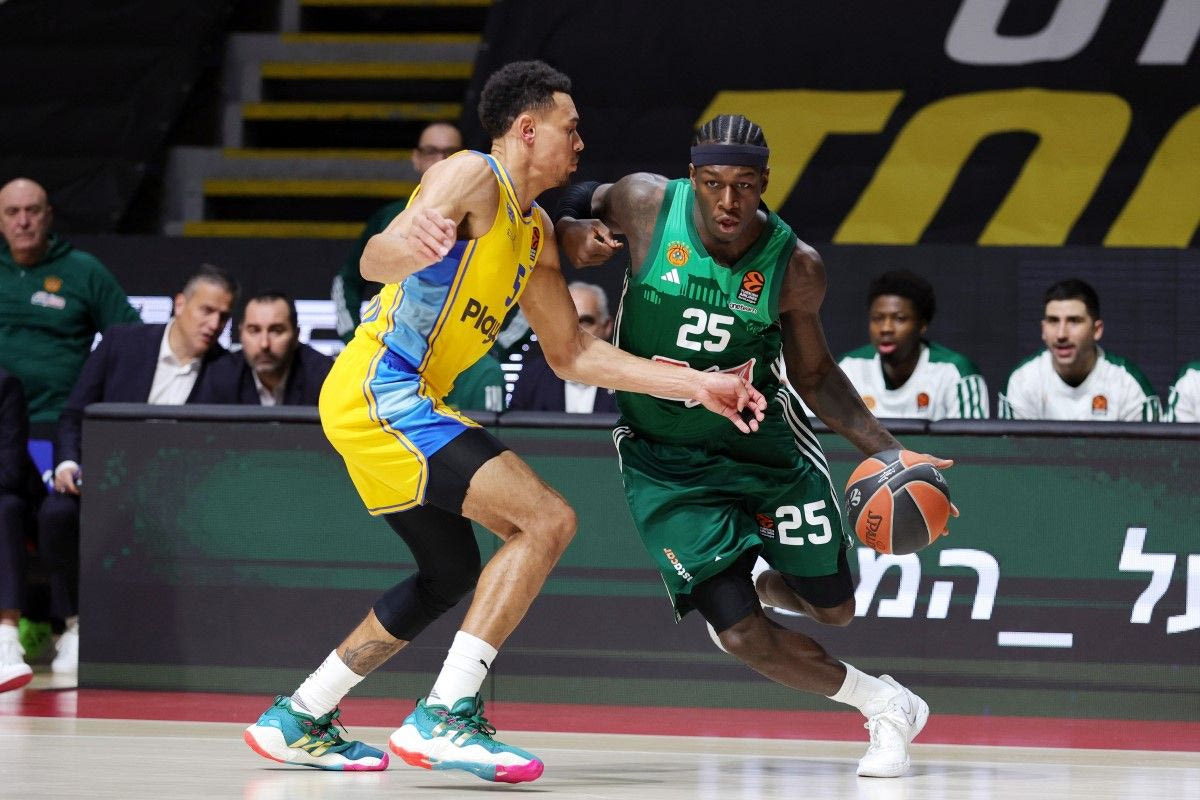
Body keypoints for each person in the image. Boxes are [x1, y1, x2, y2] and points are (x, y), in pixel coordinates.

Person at [243, 61, 766, 783]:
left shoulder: (535, 230)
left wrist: (697, 384)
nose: (580, 143)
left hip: (396, 401)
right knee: (545, 519)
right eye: (569, 128)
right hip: (382, 389)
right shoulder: (469, 175)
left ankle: (301, 714)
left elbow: (574, 354)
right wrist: (407, 246)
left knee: (448, 573)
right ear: (526, 130)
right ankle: (445, 716)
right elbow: (373, 258)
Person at [555, 114, 956, 778]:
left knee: (836, 609)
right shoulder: (645, 203)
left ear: (765, 182)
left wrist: (889, 450)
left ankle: (765, 581)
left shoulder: (795, 266)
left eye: (743, 185)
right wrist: (572, 230)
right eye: (713, 183)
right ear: (692, 178)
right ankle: (885, 704)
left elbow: (816, 375)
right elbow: (573, 199)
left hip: (764, 449)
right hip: (666, 460)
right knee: (739, 633)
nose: (728, 201)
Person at [37, 264, 236, 674]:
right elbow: (74, 414)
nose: (214, 324)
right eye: (206, 310)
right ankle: (74, 625)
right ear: (179, 304)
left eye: (223, 316)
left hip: (176, 500)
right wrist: (69, 462)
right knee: (56, 514)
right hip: (102, 486)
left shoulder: (227, 371)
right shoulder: (120, 344)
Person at [0, 178, 141, 425]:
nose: (23, 222)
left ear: (48, 216)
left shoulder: (84, 270)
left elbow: (133, 339)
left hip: (56, 419)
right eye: (12, 212)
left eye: (32, 211)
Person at [332, 122, 464, 343]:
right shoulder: (389, 216)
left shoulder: (486, 217)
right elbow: (348, 280)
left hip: (462, 348)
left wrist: (495, 348)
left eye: (451, 152)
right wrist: (352, 336)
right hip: (395, 343)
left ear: (467, 159)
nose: (441, 160)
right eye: (431, 151)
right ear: (416, 158)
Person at [998, 279, 1160, 421]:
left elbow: (1150, 448)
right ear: (1043, 329)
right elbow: (1012, 448)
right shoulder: (1023, 381)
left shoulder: (1127, 384)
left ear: (1097, 330)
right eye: (1053, 321)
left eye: (1074, 321)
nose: (1061, 334)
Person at [838, 270, 988, 419]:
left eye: (899, 318)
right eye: (877, 318)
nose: (886, 328)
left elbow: (970, 435)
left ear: (922, 325)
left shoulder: (954, 373)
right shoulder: (848, 368)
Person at [193, 291, 332, 406]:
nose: (264, 344)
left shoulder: (324, 377)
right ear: (241, 334)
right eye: (254, 330)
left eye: (276, 331)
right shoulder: (221, 375)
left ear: (296, 336)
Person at [0, 368, 45, 693]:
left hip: (8, 496)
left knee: (5, 507)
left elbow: (10, 472)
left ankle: (5, 642)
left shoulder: (4, 385)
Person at [509, 281, 618, 413]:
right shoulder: (531, 379)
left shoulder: (629, 384)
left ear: (607, 327)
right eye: (565, 322)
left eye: (585, 322)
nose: (574, 332)